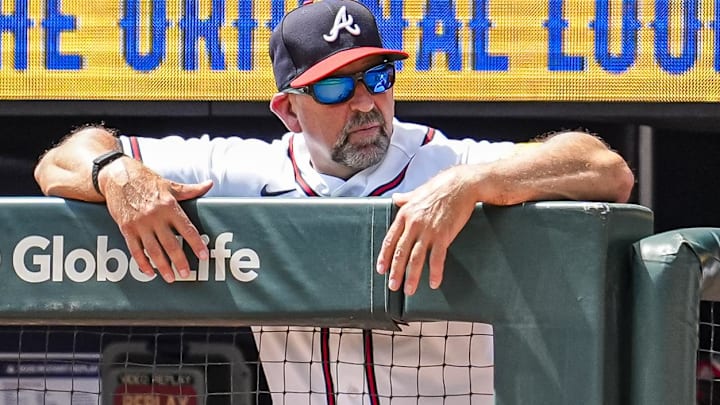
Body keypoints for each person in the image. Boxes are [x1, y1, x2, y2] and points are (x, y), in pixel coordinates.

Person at [34, 0, 634, 403]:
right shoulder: (243, 169)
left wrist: (471, 185)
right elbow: (59, 160)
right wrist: (118, 175)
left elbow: (604, 169)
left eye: (377, 78)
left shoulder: (443, 161)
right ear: (288, 109)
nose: (366, 103)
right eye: (336, 85)